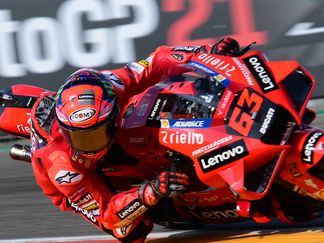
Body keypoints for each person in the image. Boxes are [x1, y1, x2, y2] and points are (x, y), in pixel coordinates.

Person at [29, 37, 241, 242]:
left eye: (95, 134)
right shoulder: (64, 169)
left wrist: (207, 53)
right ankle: (178, 207)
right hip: (81, 181)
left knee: (151, 101)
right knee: (132, 231)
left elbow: (157, 61)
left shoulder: (113, 85)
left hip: (120, 133)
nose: (89, 145)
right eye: (79, 137)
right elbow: (109, 214)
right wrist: (152, 190)